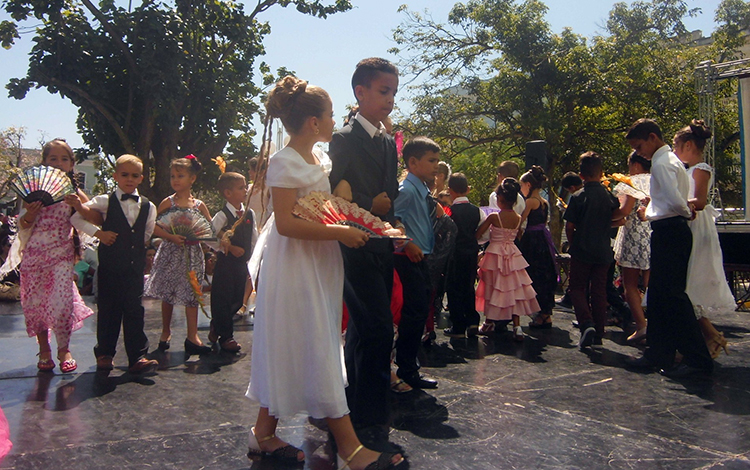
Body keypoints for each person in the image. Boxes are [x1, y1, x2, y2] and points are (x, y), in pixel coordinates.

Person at [246, 75, 403, 470]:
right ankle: (350, 449)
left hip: (318, 260)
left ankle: (263, 433)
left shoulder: (319, 159)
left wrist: (369, 223)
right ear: (314, 122)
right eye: (331, 115)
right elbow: (284, 223)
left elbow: (328, 205)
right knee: (317, 342)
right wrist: (340, 231)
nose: (337, 120)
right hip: (295, 265)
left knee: (301, 339)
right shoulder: (284, 162)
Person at [328, 57, 403, 453]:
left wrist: (393, 221)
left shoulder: (389, 142)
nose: (390, 99)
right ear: (360, 92)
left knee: (363, 328)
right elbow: (325, 195)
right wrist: (367, 202)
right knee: (375, 326)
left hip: (383, 244)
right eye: (383, 91)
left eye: (393, 91)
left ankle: (354, 405)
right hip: (350, 244)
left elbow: (389, 193)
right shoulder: (342, 139)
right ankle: (371, 416)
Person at [624, 118, 714, 379]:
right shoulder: (670, 160)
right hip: (671, 229)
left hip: (670, 231)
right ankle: (659, 353)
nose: (638, 152)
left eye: (639, 146)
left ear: (653, 137)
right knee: (662, 297)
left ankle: (697, 359)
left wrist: (684, 212)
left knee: (671, 296)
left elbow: (676, 201)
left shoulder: (663, 162)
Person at [3, 139, 94, 373]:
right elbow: (22, 224)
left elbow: (91, 217)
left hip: (61, 254)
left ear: (72, 164)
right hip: (34, 254)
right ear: (44, 162)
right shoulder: (32, 191)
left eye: (64, 159)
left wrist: (79, 206)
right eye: (53, 158)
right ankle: (44, 350)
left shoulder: (74, 192)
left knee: (61, 301)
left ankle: (64, 348)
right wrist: (31, 214)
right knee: (37, 302)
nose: (59, 163)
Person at [71, 153, 158, 374]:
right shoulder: (103, 201)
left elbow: (147, 232)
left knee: (134, 310)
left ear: (141, 178)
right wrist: (99, 233)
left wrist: (141, 250)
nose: (130, 179)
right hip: (110, 267)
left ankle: (137, 356)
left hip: (134, 268)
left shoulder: (148, 206)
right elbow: (76, 218)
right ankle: (105, 353)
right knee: (108, 310)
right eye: (125, 174)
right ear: (115, 176)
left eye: (135, 175)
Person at [673, 119, 735, 358]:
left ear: (689, 146)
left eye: (678, 147)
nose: (676, 153)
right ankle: (709, 336)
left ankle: (709, 336)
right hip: (686, 224)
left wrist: (675, 203)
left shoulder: (701, 169)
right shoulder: (685, 169)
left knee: (690, 284)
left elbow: (699, 201)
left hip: (696, 227)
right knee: (686, 287)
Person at [144, 156, 213, 356]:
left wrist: (204, 238)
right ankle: (166, 331)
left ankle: (193, 335)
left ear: (192, 178)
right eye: (173, 176)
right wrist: (170, 236)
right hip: (171, 252)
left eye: (180, 176)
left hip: (192, 253)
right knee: (169, 293)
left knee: (193, 293)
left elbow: (208, 227)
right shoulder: (168, 202)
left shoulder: (199, 205)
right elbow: (154, 226)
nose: (175, 180)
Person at [393, 136, 441, 390]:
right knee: (413, 313)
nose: (436, 165)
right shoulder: (407, 190)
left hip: (420, 255)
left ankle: (409, 366)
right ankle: (407, 368)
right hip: (408, 257)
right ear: (413, 162)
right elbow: (393, 219)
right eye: (431, 160)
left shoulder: (420, 189)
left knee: (420, 311)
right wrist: (407, 243)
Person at [564, 152, 624, 350]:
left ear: (581, 175)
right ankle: (598, 331)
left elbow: (569, 225)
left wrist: (573, 243)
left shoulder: (578, 196)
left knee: (577, 288)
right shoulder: (608, 196)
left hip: (582, 248)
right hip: (603, 250)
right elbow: (616, 212)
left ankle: (586, 323)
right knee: (599, 291)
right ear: (601, 173)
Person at [475, 177, 539, 340]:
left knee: (492, 287)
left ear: (500, 199)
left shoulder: (494, 217)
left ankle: (489, 321)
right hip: (512, 254)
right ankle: (517, 326)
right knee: (513, 289)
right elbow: (518, 234)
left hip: (495, 254)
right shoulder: (518, 217)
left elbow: (478, 234)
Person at [209, 171, 256, 352]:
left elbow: (254, 237)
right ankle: (226, 337)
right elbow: (209, 234)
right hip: (226, 264)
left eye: (245, 187)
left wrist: (252, 256)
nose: (245, 190)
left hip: (241, 265)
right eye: (241, 187)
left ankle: (217, 325)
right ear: (228, 193)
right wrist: (225, 246)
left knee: (237, 298)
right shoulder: (222, 215)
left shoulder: (249, 213)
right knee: (223, 298)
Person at [612, 151, 651, 343]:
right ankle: (658, 324)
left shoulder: (632, 183)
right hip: (651, 234)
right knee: (651, 282)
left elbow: (624, 211)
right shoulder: (656, 181)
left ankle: (642, 326)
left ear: (635, 165)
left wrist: (603, 216)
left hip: (633, 235)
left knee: (630, 285)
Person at [443, 172, 482, 338]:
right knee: (468, 286)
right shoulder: (476, 211)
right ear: (467, 189)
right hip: (471, 252)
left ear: (450, 190)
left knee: (453, 288)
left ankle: (458, 325)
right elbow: (482, 234)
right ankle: (473, 320)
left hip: (454, 253)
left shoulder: (449, 211)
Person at [518, 166, 557, 328]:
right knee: (545, 274)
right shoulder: (544, 202)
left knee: (535, 275)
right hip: (543, 239)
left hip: (532, 241)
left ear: (528, 184)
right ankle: (545, 312)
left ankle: (542, 312)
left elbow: (520, 221)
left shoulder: (530, 202)